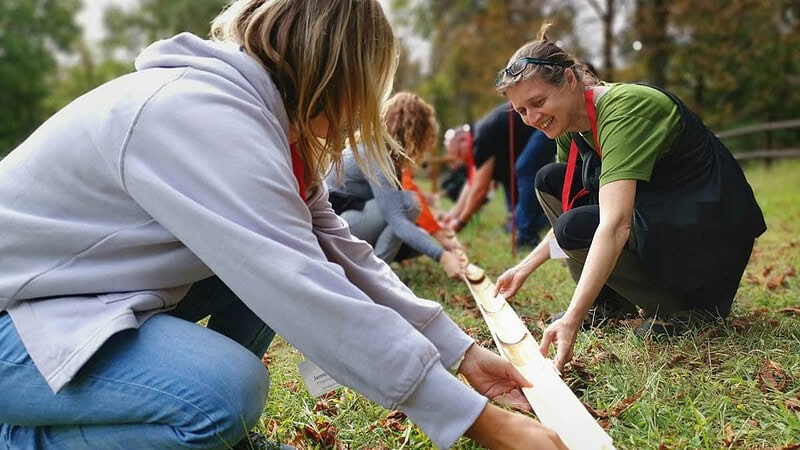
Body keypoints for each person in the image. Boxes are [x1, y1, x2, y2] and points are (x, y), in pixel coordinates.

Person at [0, 1, 568, 449]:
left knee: (259, 294)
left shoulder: (268, 127)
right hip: (16, 321)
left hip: (68, 299)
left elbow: (340, 253)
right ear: (337, 71)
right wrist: (479, 422)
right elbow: (301, 287)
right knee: (222, 394)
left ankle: (199, 433)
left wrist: (459, 352)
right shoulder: (200, 117)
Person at [493, 24, 766, 372]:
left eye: (538, 102)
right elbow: (569, 200)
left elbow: (616, 224)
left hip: (707, 230)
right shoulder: (568, 125)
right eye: (521, 111)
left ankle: (681, 311)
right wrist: (524, 267)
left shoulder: (623, 110)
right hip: (661, 213)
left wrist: (571, 319)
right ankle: (608, 304)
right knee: (551, 181)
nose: (532, 118)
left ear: (570, 81)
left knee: (575, 226)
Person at [326, 92, 466, 279]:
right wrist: (443, 257)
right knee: (408, 203)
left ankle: (370, 269)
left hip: (345, 223)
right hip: (331, 230)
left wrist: (437, 237)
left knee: (416, 235)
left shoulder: (386, 155)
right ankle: (373, 277)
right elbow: (397, 219)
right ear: (414, 132)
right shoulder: (375, 154)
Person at [443, 103, 556, 249]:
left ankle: (527, 237)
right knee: (512, 175)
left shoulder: (480, 139)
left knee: (525, 168)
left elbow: (479, 190)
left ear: (464, 141)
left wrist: (460, 223)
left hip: (544, 121)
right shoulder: (476, 136)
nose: (460, 161)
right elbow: (471, 183)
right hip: (528, 136)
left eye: (458, 154)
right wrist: (453, 214)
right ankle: (532, 223)